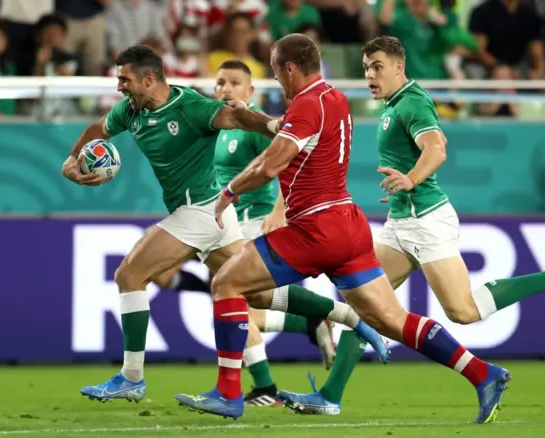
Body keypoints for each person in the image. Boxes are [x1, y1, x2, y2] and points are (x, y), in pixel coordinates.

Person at [174, 33, 510, 424]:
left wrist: (228, 192)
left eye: (276, 71)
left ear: (289, 68)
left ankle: (231, 393)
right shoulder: (335, 98)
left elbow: (271, 164)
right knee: (391, 320)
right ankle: (483, 374)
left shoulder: (306, 104)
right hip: (349, 225)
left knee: (226, 283)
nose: (277, 80)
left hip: (314, 229)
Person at [277, 35, 545, 420]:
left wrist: (411, 179)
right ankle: (330, 395)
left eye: (377, 66)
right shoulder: (394, 104)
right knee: (362, 302)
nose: (370, 75)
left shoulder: (413, 102)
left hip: (426, 220)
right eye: (365, 69)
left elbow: (437, 147)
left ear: (398, 66)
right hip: (401, 223)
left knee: (463, 310)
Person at [61, 44, 384, 404]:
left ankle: (131, 377)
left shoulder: (190, 106)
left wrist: (274, 124)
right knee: (258, 293)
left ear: (149, 79)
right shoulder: (129, 111)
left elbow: (238, 118)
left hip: (198, 210)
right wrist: (73, 158)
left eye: (125, 79)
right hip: (216, 213)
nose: (119, 86)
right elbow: (97, 129)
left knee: (128, 275)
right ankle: (350, 316)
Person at [154, 59, 337, 407]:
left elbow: (288, 164)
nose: (226, 89)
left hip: (251, 220)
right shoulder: (214, 125)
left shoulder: (253, 127)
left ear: (250, 91)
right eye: (221, 82)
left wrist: (278, 211)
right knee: (166, 275)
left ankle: (266, 384)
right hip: (212, 219)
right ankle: (311, 322)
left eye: (235, 83)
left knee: (237, 303)